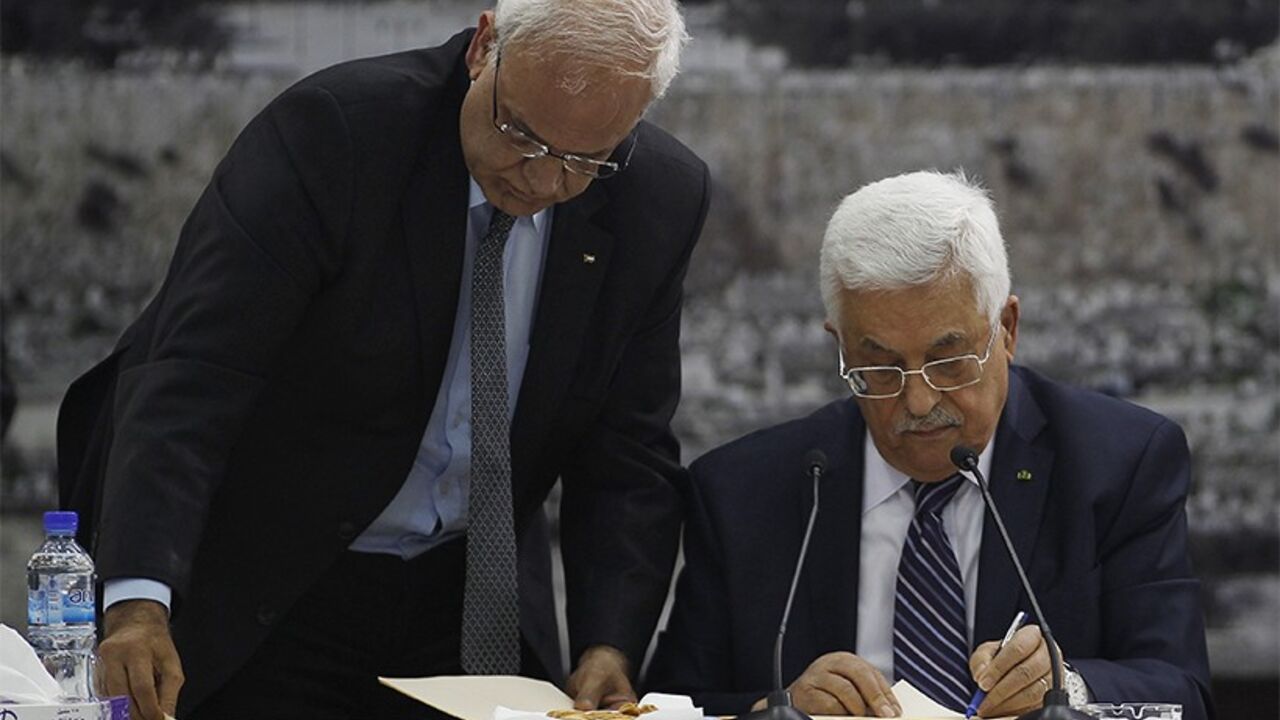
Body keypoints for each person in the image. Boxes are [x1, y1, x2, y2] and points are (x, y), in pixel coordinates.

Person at [56, 1, 710, 718]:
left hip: (470, 600)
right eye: (521, 134)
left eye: (586, 161)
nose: (543, 181)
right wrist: (139, 602)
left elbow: (629, 451)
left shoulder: (658, 198)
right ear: (484, 46)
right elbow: (194, 376)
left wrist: (608, 647)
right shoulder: (336, 135)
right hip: (273, 579)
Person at [647, 171, 1212, 718]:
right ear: (838, 346)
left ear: (1007, 329)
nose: (918, 402)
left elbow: (1182, 693)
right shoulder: (743, 492)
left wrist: (1071, 688)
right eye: (881, 365)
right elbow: (671, 706)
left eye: (949, 361)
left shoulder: (1118, 463)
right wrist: (775, 710)